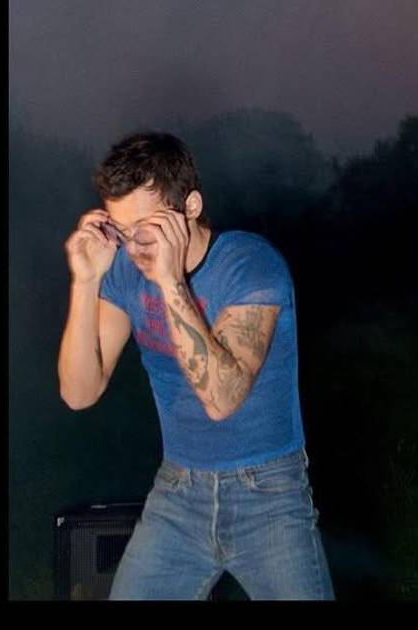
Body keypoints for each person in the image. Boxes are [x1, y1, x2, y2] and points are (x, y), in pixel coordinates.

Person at [57, 131, 334, 600]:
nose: (134, 247)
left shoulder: (250, 264)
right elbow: (78, 393)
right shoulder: (124, 272)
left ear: (190, 207)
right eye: (122, 231)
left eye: (146, 228)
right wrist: (85, 281)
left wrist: (171, 283)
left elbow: (222, 400)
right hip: (178, 491)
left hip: (269, 493)